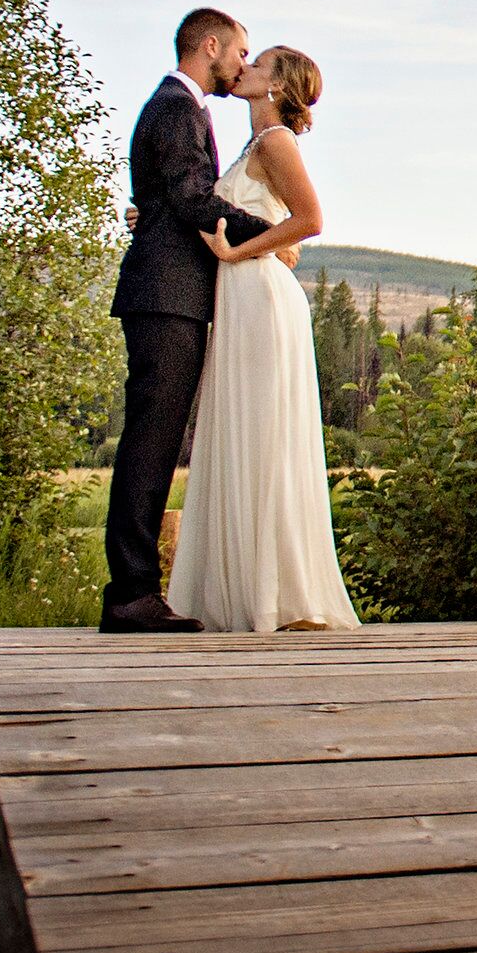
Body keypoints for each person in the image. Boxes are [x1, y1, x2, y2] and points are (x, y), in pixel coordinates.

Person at [168, 45, 359, 633]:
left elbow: (309, 222)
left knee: (263, 432)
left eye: (259, 63)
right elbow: (275, 227)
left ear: (276, 86)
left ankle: (274, 593)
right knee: (242, 430)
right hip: (242, 298)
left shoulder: (276, 141)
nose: (244, 67)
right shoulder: (256, 144)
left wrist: (236, 250)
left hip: (261, 297)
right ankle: (242, 587)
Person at [98, 8, 267, 634]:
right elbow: (195, 200)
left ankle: (135, 591)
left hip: (171, 293)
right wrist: (276, 233)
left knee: (158, 440)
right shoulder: (176, 106)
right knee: (151, 441)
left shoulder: (179, 107)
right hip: (166, 295)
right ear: (211, 45)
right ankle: (131, 595)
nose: (242, 66)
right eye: (239, 52)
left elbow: (168, 199)